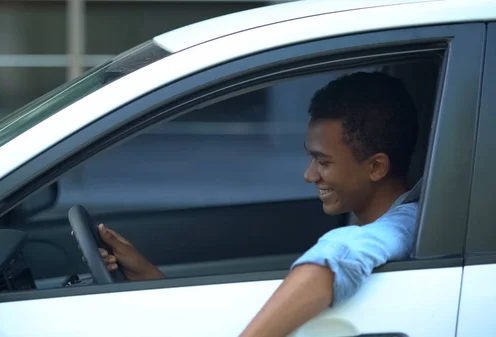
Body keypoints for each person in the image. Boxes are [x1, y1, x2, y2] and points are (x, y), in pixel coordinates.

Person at [96, 71, 419, 336]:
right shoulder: (380, 218)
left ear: (376, 167)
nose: (309, 175)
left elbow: (337, 256)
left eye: (323, 162)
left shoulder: (403, 225)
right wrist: (146, 276)